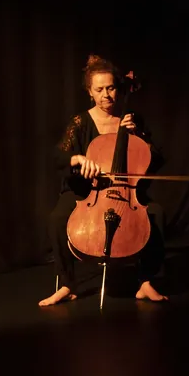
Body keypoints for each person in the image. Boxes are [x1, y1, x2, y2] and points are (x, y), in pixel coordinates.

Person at [38, 55, 169, 306]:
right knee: (56, 218)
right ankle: (68, 284)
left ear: (118, 89)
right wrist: (76, 159)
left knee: (157, 213)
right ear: (90, 92)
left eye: (110, 88)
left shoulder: (130, 121)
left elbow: (157, 158)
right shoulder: (80, 123)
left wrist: (139, 135)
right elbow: (57, 156)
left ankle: (145, 282)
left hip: (125, 192)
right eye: (99, 89)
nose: (106, 95)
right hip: (87, 192)